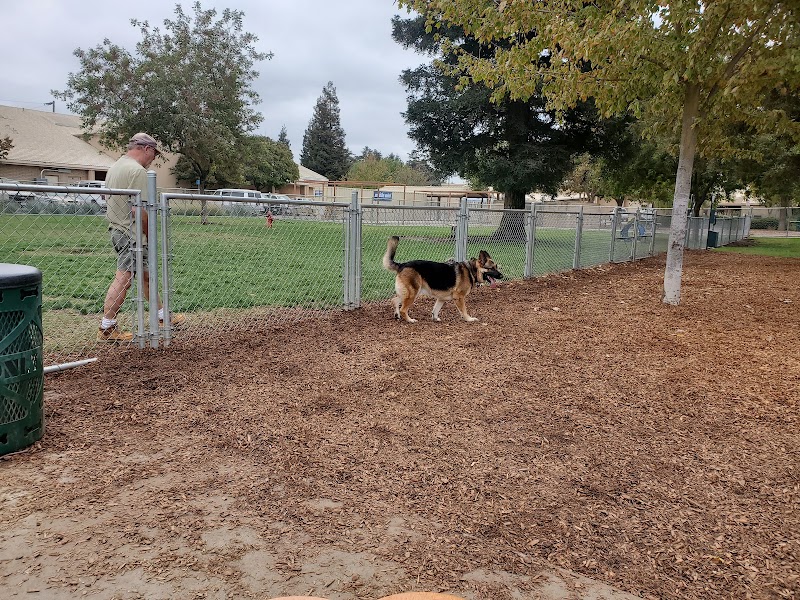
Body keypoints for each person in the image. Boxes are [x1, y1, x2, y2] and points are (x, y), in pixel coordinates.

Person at [98, 133, 185, 342]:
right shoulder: (138, 172)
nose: (153, 159)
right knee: (124, 278)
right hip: (131, 233)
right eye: (153, 154)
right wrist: (149, 233)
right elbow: (141, 210)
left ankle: (162, 315)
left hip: (119, 229)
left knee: (146, 275)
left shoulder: (116, 167)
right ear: (146, 149)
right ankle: (107, 326)